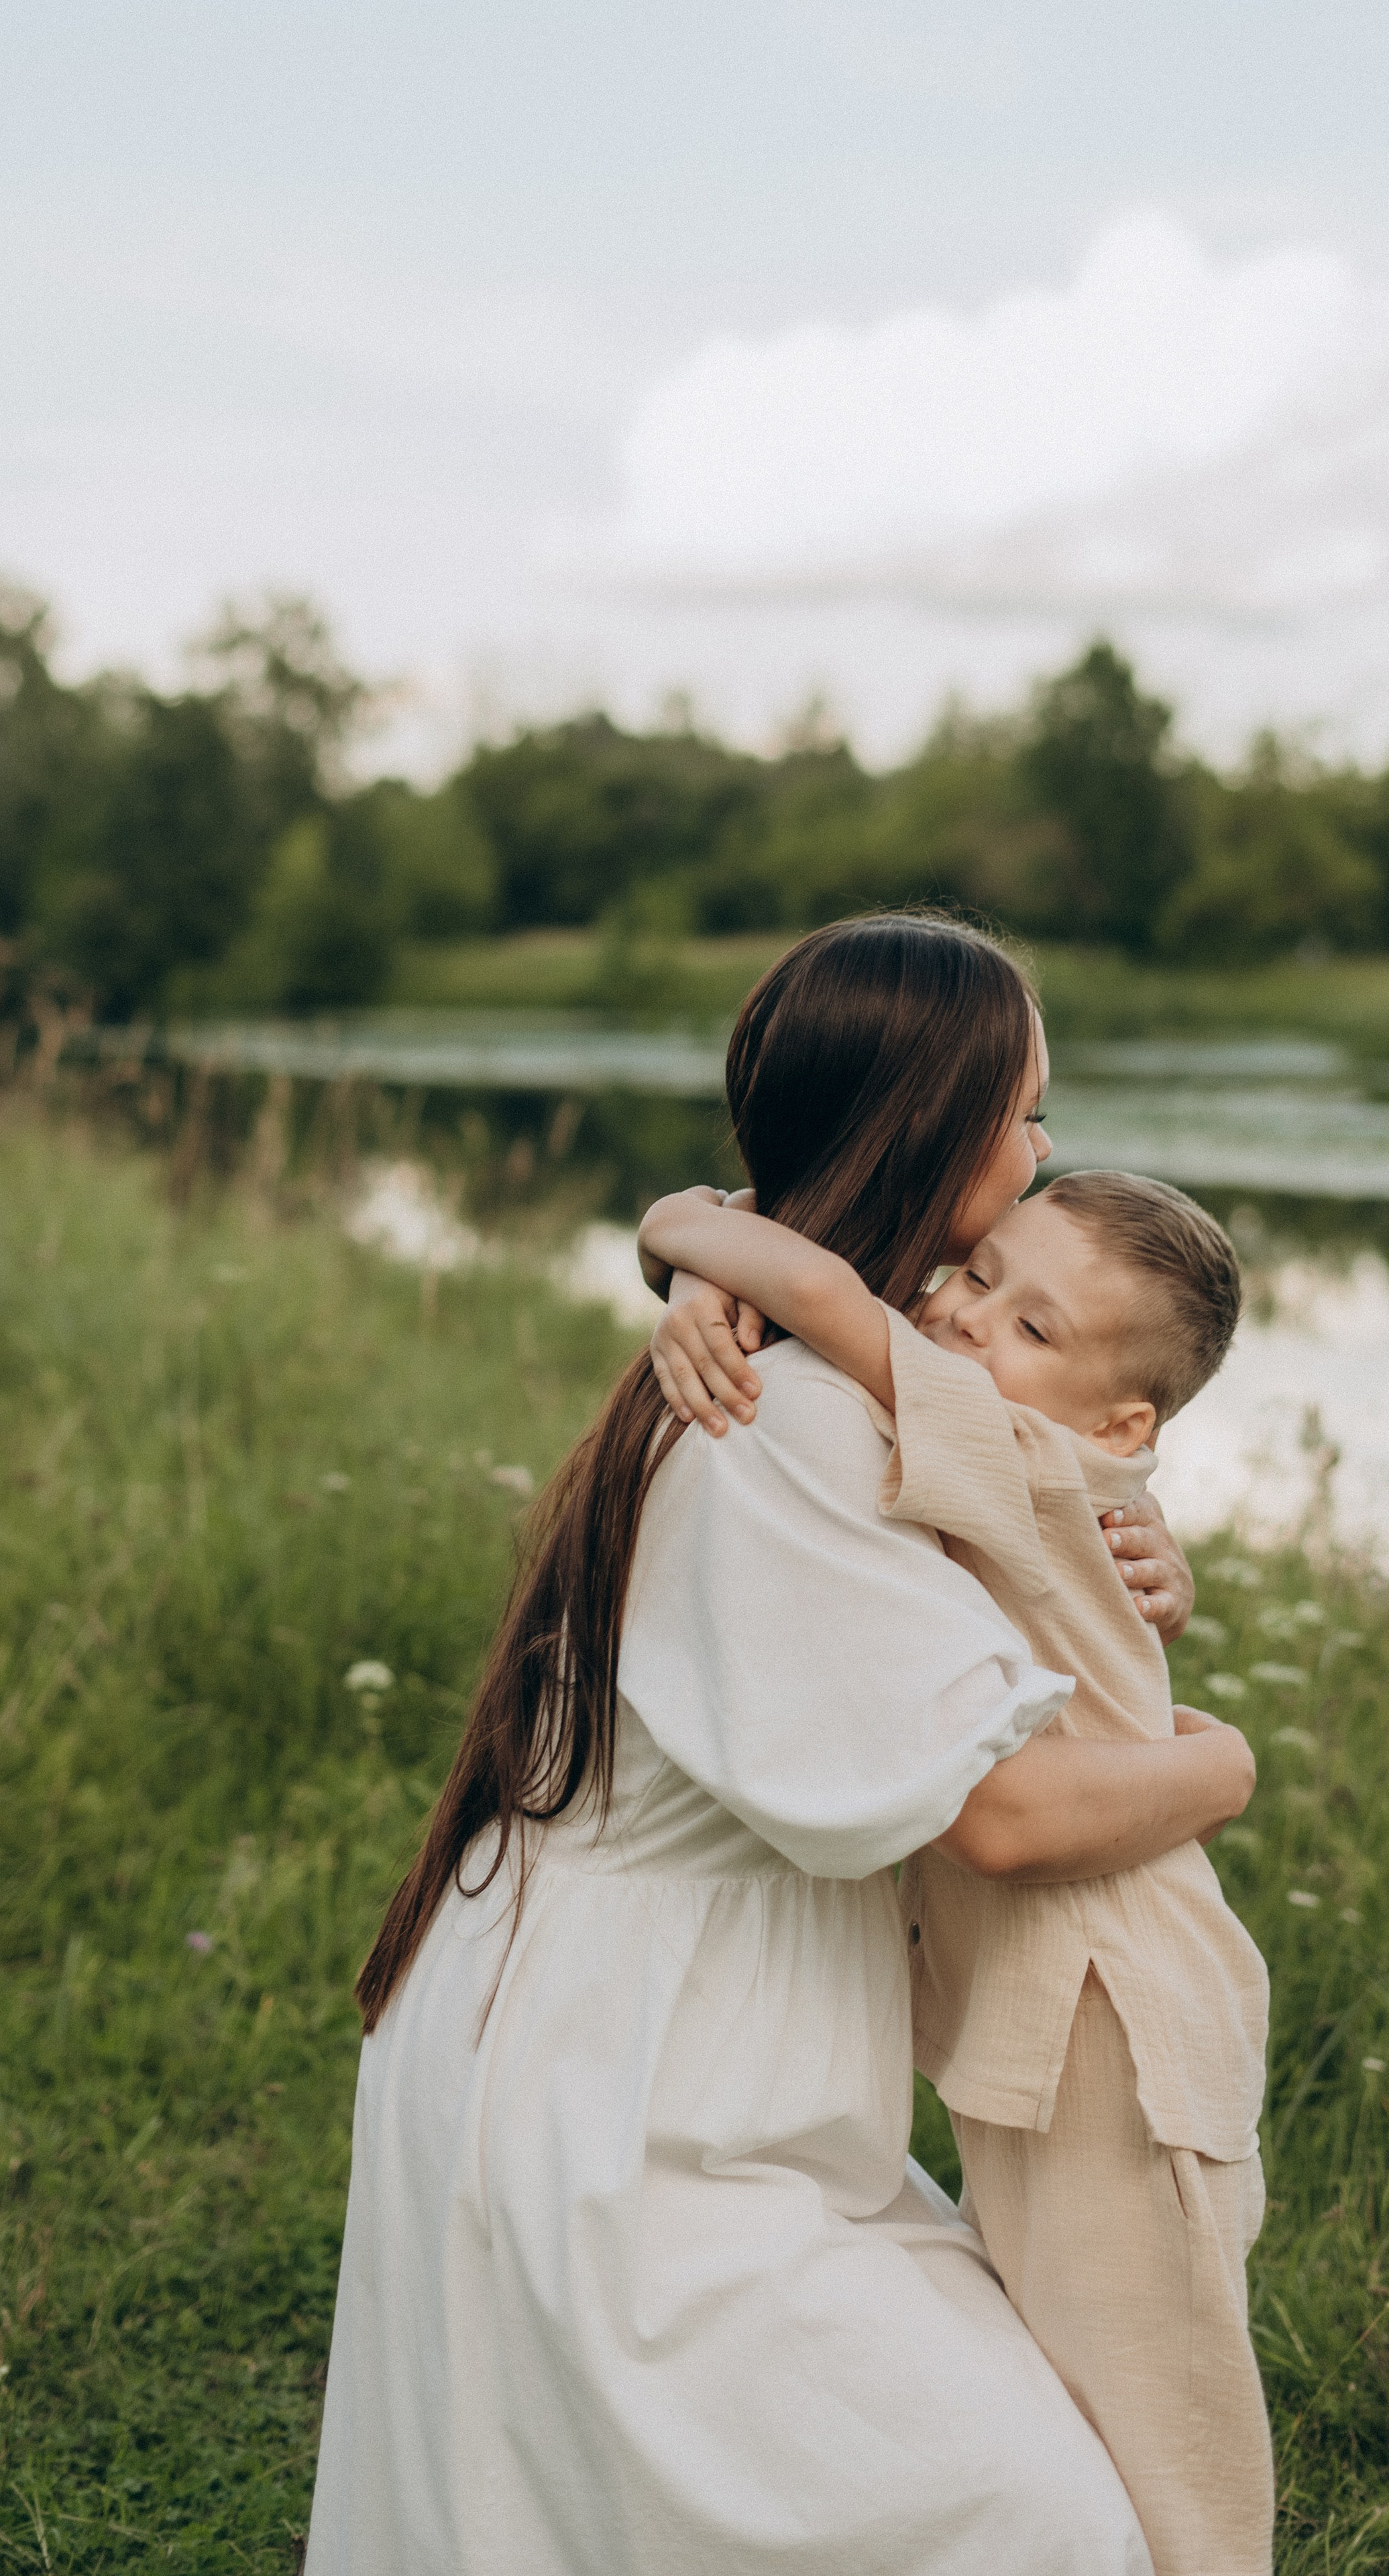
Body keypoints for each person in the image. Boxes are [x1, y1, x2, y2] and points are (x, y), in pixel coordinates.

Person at [304, 913, 1230, 2575]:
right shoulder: (779, 1413)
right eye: (1025, 1113)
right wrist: (1227, 1762)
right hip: (628, 2094)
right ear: (940, 1127)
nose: (1042, 1152)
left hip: (633, 2033)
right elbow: (1005, 1816)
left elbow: (1002, 1509)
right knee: (1034, 2524)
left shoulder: (792, 1359)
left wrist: (1121, 1533)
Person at [640, 1165, 1272, 2574]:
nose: (968, 1320)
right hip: (1073, 1996)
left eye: (1031, 1328)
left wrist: (674, 1235)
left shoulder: (1011, 1451)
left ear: (1119, 1426)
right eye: (978, 1274)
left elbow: (815, 1292)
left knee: (1161, 2419)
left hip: (1117, 2017)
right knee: (1064, 2368)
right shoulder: (1036, 1452)